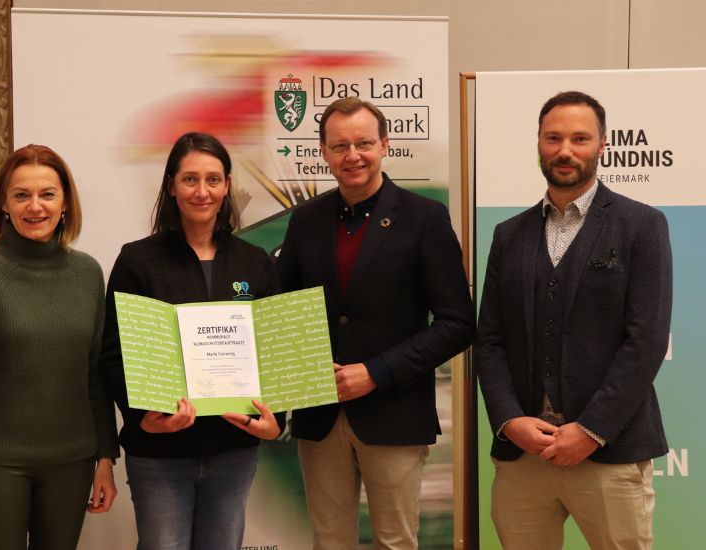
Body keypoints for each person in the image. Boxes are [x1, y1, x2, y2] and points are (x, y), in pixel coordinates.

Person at [475, 91, 672, 549]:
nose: (565, 150)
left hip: (609, 452)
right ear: (538, 143)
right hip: (523, 456)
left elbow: (645, 341)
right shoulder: (508, 235)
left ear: (602, 144)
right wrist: (509, 420)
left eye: (580, 138)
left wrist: (590, 431)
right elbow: (489, 341)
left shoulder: (641, 225)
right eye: (553, 138)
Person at [277, 97, 475, 550]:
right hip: (319, 414)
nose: (353, 156)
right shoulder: (305, 220)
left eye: (363, 143)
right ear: (324, 153)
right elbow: (281, 310)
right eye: (340, 146)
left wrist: (377, 371)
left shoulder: (425, 218)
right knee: (329, 542)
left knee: (395, 543)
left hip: (394, 413)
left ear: (384, 145)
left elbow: (459, 323)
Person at [100, 132, 284, 550]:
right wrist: (142, 418)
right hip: (160, 451)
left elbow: (274, 352)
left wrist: (277, 419)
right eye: (190, 179)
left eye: (213, 180)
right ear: (171, 185)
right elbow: (114, 354)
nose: (202, 191)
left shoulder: (254, 262)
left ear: (227, 185)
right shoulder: (137, 261)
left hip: (234, 450)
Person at [0, 144, 119, 549]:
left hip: (72, 461)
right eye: (21, 195)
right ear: (4, 203)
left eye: (47, 194)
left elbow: (94, 372)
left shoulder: (88, 273)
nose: (34, 206)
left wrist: (106, 457)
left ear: (65, 203)